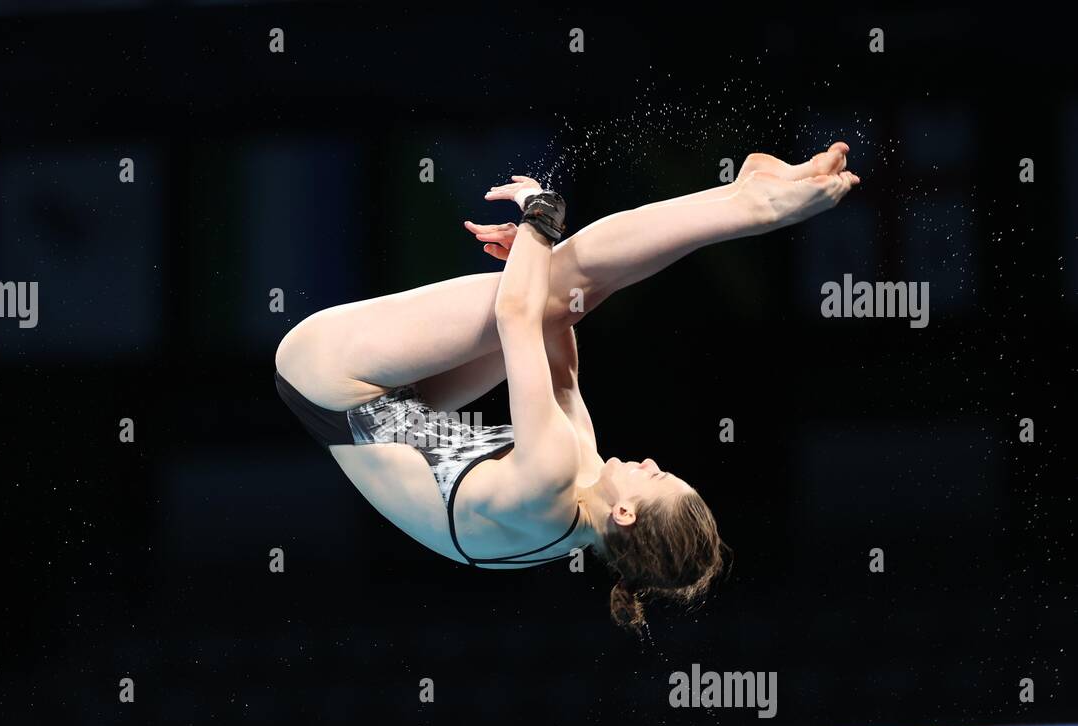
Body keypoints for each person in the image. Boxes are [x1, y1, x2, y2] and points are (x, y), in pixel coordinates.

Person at [275, 144, 859, 630]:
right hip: (393, 410)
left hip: (331, 378)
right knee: (568, 294)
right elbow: (558, 348)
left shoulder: (552, 477)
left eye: (657, 478)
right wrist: (529, 263)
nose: (653, 461)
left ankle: (754, 204)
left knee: (560, 276)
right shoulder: (581, 490)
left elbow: (517, 318)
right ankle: (743, 197)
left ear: (627, 513)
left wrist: (540, 217)